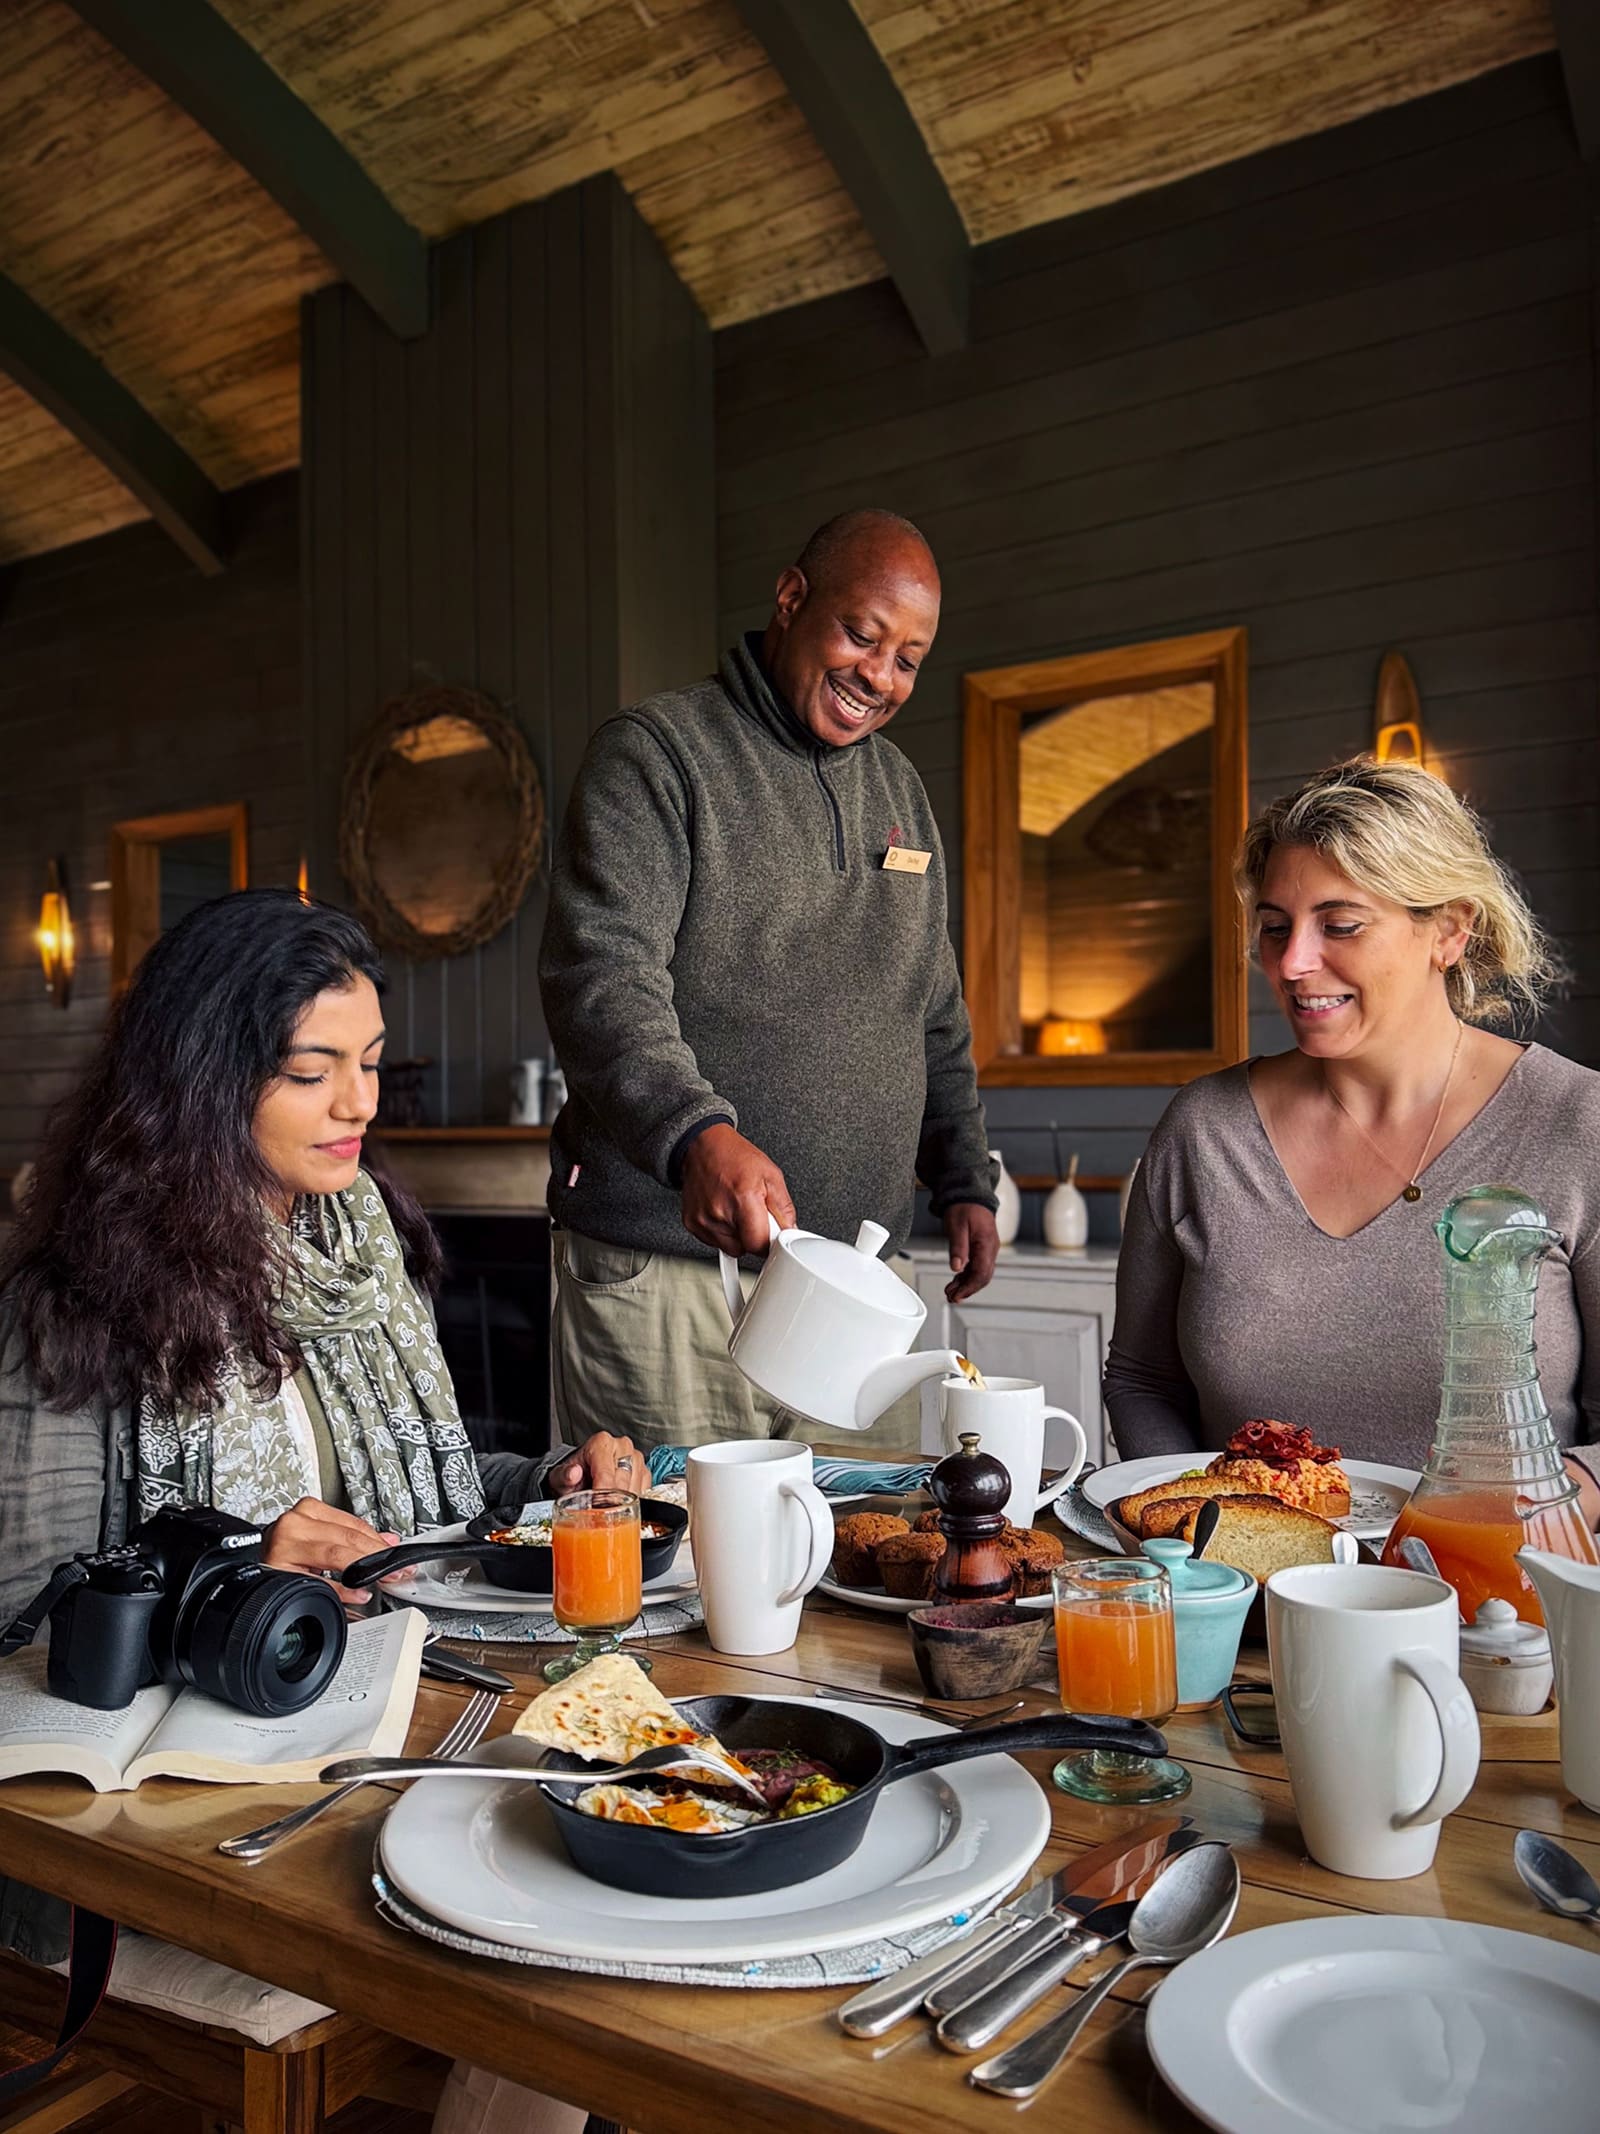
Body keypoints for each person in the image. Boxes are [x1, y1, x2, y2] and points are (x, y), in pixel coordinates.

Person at [0, 890, 628, 2133]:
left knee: (611, 1819)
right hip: (157, 1815)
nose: (358, 1103)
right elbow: (21, 1615)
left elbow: (413, 1492)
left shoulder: (355, 1251)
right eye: (310, 1070)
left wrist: (551, 1479)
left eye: (372, 1063)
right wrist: (234, 1564)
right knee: (563, 1904)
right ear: (202, 1078)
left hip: (356, 1713)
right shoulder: (71, 1294)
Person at [539, 508, 999, 1459]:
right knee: (671, 1550)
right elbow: (602, 976)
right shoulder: (657, 754)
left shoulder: (903, 794)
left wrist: (965, 1176)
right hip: (666, 1278)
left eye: (908, 659)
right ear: (792, 599)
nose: (880, 676)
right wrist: (694, 1137)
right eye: (862, 635)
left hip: (858, 1297)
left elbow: (934, 1011)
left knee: (871, 1547)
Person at [1105, 757, 1600, 1527]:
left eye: (1341, 925)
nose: (1292, 963)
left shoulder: (1579, 1124)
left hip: (1493, 1589)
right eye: (1275, 927)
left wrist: (1541, 1508)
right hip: (1241, 1587)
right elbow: (1143, 1380)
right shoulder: (1204, 1130)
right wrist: (1197, 1533)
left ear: (1450, 930)